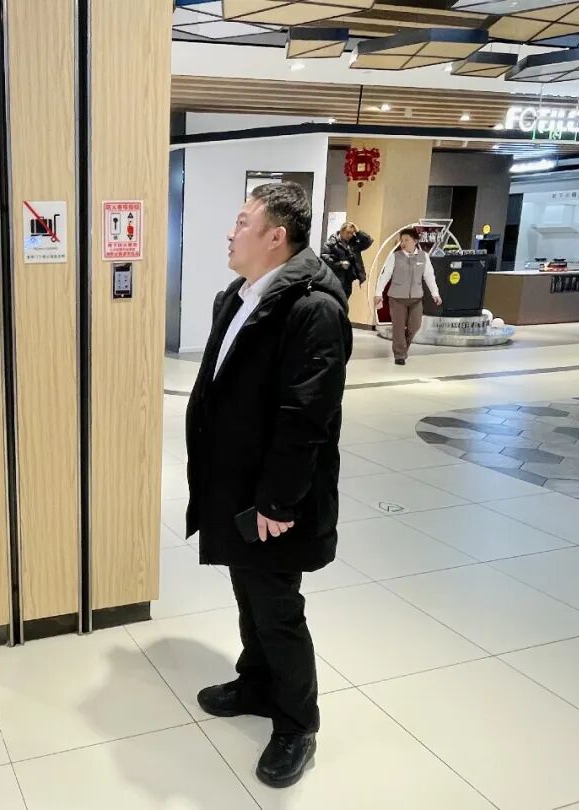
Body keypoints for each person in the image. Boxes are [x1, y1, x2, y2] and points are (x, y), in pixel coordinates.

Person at [185, 182, 351, 789]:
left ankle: (297, 724)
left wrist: (278, 501)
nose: (230, 233)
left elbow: (306, 415)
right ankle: (257, 682)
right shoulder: (240, 296)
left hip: (275, 496)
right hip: (238, 485)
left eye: (242, 222)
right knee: (247, 591)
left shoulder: (313, 309)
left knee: (277, 607)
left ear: (276, 236)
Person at [373, 227, 443, 366]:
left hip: (416, 298)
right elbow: (385, 276)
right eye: (401, 240)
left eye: (406, 240)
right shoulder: (395, 257)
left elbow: (429, 276)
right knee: (398, 327)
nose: (403, 243)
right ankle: (400, 355)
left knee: (415, 326)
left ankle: (402, 346)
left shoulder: (424, 257)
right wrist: (378, 293)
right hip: (397, 298)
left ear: (415, 241)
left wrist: (435, 293)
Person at [320, 221, 373, 300]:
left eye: (352, 233)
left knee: (344, 301)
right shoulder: (332, 242)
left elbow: (368, 241)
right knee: (335, 300)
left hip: (348, 280)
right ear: (342, 231)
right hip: (335, 278)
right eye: (348, 232)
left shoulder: (353, 243)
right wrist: (339, 264)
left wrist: (358, 232)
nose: (350, 235)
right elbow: (324, 257)